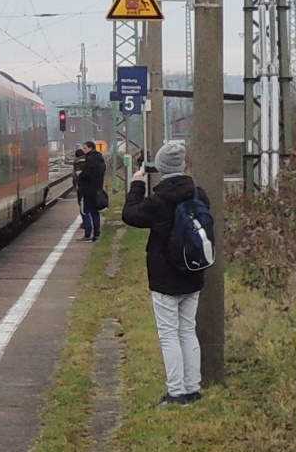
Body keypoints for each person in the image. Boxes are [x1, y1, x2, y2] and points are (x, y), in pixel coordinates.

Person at [121, 141, 209, 407]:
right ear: (183, 166)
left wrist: (136, 185)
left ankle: (175, 393)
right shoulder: (200, 195)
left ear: (159, 168)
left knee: (169, 334)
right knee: (187, 331)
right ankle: (193, 389)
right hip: (193, 271)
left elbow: (130, 215)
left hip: (164, 276)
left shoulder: (158, 201)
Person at [77, 140, 106, 242]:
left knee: (85, 211)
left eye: (85, 148)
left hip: (88, 190)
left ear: (90, 148)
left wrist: (79, 176)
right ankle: (97, 234)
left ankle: (88, 233)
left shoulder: (89, 159)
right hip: (97, 190)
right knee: (95, 212)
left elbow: (85, 174)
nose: (84, 150)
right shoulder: (100, 160)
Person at [72, 148, 86, 228]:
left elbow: (75, 175)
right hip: (90, 187)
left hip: (80, 187)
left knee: (82, 204)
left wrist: (75, 184)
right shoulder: (89, 160)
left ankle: (85, 222)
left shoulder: (77, 162)